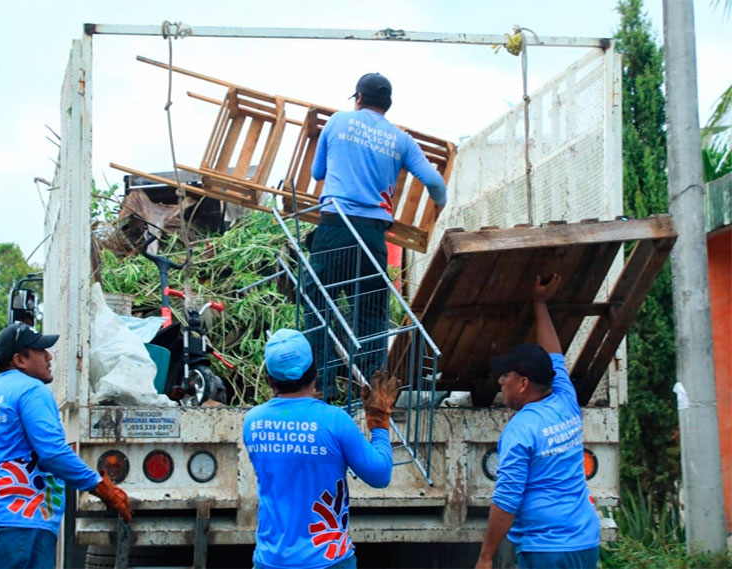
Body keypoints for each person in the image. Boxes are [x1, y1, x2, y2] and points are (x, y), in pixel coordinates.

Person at [305, 72, 447, 393]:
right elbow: (435, 183)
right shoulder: (401, 140)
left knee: (319, 303)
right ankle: (372, 386)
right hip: (372, 236)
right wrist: (440, 205)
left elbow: (317, 173)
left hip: (334, 228)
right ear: (389, 105)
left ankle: (324, 387)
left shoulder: (338, 122)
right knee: (370, 311)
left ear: (358, 99)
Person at [0, 323, 132, 569]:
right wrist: (100, 486)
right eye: (40, 351)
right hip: (20, 527)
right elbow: (52, 452)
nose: (49, 357)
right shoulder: (31, 390)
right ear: (19, 360)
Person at [243, 328, 398, 569]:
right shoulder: (334, 420)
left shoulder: (253, 422)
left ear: (269, 380)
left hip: (270, 561)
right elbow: (380, 475)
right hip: (329, 560)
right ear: (315, 372)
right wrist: (379, 424)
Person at [476, 274, 600, 569]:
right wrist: (540, 302)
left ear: (522, 383)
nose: (500, 381)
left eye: (506, 375)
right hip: (585, 540)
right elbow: (554, 354)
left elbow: (506, 501)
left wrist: (486, 556)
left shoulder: (520, 431)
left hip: (546, 549)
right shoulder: (565, 398)